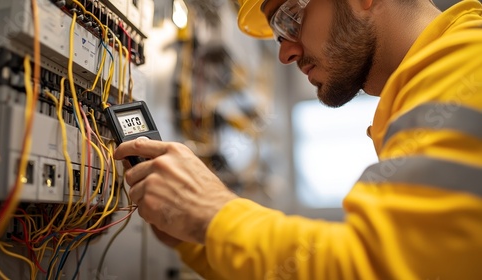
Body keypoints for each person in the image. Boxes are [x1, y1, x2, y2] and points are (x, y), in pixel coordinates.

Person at [113, 0, 482, 278]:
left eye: (290, 16)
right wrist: (196, 235)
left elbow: (374, 267)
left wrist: (215, 215)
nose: (285, 52)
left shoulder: (468, 68)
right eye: (279, 32)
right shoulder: (433, 85)